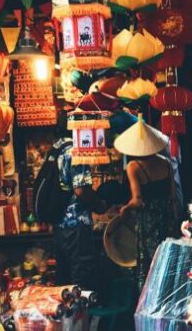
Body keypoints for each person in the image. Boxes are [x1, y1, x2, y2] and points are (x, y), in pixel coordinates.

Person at [113, 117, 176, 292]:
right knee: (166, 261)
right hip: (167, 219)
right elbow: (172, 195)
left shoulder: (134, 166)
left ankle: (148, 301)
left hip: (148, 221)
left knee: (150, 265)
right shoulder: (166, 164)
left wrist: (126, 208)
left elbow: (138, 199)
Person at [51, 131, 105, 295]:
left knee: (64, 281)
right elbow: (81, 190)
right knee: (82, 280)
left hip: (59, 224)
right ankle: (82, 318)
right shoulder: (76, 152)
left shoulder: (56, 147)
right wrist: (99, 205)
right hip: (76, 225)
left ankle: (67, 318)